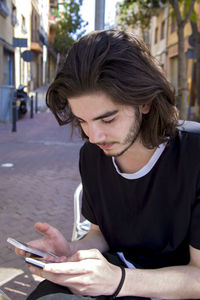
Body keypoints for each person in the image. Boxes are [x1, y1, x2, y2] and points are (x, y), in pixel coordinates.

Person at [16, 30, 200, 300]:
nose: (94, 136)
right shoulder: (91, 156)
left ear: (145, 101)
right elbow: (101, 233)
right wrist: (70, 249)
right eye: (82, 121)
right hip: (113, 276)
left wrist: (118, 280)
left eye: (108, 119)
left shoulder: (193, 154)